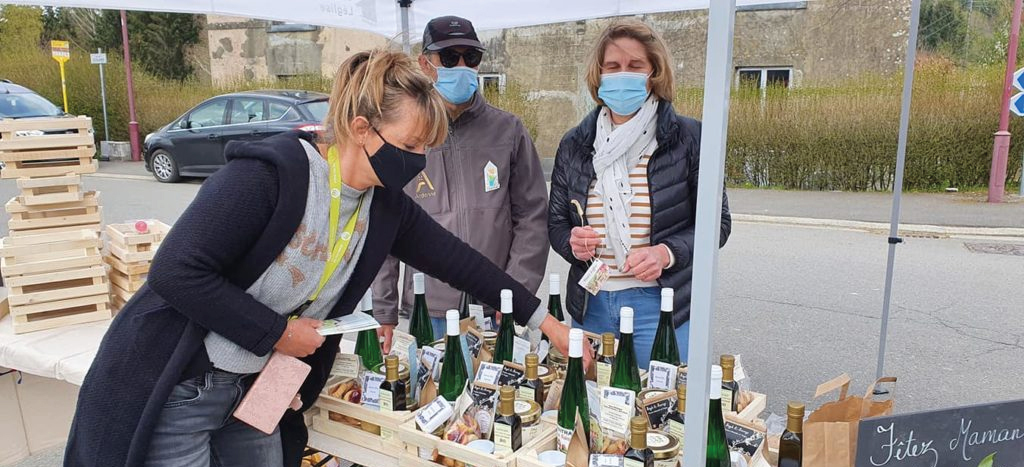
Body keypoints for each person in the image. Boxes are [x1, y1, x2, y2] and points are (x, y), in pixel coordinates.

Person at [64, 50, 575, 467]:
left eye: (425, 148)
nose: (418, 161)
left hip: (258, 390)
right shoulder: (269, 177)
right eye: (410, 145)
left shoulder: (385, 207)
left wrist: (545, 321)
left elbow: (461, 263)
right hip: (182, 384)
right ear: (360, 128)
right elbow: (176, 272)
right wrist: (279, 333)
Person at [548, 19, 732, 370]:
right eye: (613, 67)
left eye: (635, 66)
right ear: (598, 75)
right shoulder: (574, 144)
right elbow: (556, 222)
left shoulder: (689, 138)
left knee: (661, 412)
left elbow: (718, 224)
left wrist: (666, 253)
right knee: (596, 411)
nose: (623, 75)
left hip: (661, 308)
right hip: (592, 305)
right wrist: (571, 241)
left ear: (655, 73)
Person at [372, 15, 549, 341]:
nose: (463, 65)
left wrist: (516, 290)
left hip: (495, 308)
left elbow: (533, 217)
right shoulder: (408, 135)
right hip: (430, 310)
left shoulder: (508, 130)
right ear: (425, 63)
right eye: (450, 57)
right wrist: (384, 308)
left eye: (472, 57)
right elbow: (385, 226)